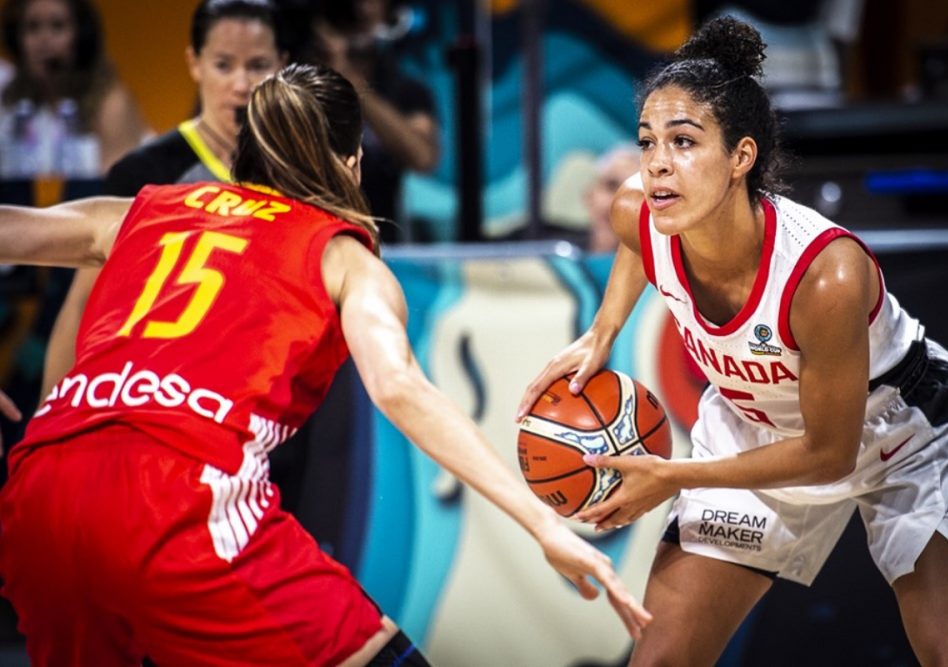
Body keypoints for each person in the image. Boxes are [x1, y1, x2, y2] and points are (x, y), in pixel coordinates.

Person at [0, 63, 650, 666]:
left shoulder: (144, 209)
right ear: (352, 160)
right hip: (176, 495)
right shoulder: (340, 256)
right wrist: (542, 523)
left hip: (38, 486)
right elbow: (399, 388)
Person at [517, 16, 948, 666]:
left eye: (683, 141)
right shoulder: (644, 208)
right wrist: (601, 333)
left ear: (742, 156)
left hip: (897, 433)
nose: (658, 161)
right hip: (754, 427)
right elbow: (635, 233)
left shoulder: (824, 274)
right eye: (648, 141)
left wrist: (673, 475)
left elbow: (829, 454)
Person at [41, 0, 287, 400]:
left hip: (272, 401)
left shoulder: (302, 173)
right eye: (223, 65)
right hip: (164, 398)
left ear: (283, 65)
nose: (241, 84)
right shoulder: (143, 174)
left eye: (258, 65)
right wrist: (46, 413)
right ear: (194, 63)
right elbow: (83, 302)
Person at [309, 0, 439, 242]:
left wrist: (352, 82)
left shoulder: (406, 89)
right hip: (311, 234)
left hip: (382, 241)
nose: (362, 10)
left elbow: (423, 157)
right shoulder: (301, 86)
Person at [0, 0, 147, 177]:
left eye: (57, 26)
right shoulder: (11, 101)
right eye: (32, 27)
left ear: (81, 37)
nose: (44, 39)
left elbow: (118, 187)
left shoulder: (110, 102)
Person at [584, 145, 640, 254]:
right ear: (589, 196)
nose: (620, 203)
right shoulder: (554, 259)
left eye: (635, 194)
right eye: (612, 186)